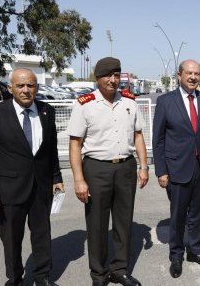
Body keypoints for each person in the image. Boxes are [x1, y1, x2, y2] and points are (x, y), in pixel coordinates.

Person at [0, 68, 64, 286]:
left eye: (30, 85)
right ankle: (14, 279)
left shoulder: (47, 111)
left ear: (36, 87)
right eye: (20, 86)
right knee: (12, 240)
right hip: (8, 190)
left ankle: (42, 276)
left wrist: (56, 177)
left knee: (42, 235)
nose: (26, 90)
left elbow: (50, 150)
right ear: (10, 88)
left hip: (40, 187)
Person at [67, 57, 149, 286]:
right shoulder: (85, 104)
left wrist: (143, 166)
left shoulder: (130, 102)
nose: (113, 80)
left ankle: (119, 270)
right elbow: (75, 144)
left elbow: (138, 136)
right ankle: (99, 274)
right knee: (97, 224)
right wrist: (79, 179)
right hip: (96, 168)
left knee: (124, 222)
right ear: (98, 78)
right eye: (108, 76)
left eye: (116, 76)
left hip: (125, 167)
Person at [152, 59, 200, 279]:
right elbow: (158, 139)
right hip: (177, 168)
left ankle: (196, 251)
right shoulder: (165, 101)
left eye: (197, 73)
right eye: (189, 73)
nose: (193, 77)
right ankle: (176, 255)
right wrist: (161, 171)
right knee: (178, 215)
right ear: (179, 75)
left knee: (199, 214)